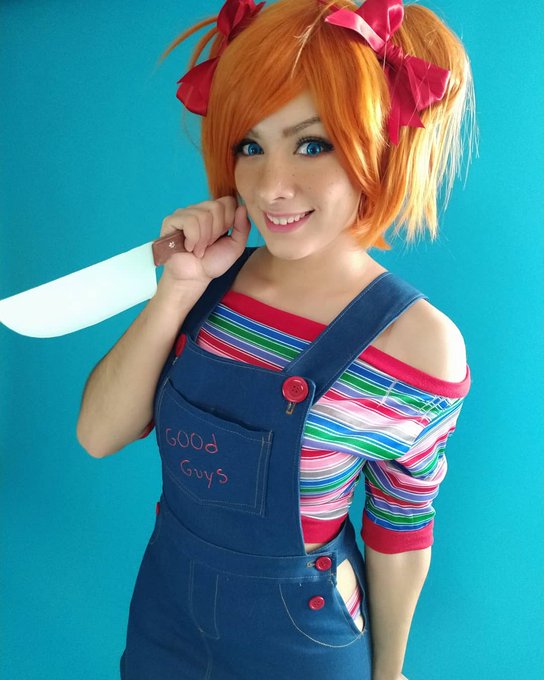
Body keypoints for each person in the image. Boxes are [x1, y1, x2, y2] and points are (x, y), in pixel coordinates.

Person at [76, 0, 475, 678]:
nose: (270, 186)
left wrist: (388, 671)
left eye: (312, 144)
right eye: (250, 146)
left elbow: (401, 522)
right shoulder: (208, 284)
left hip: (300, 642)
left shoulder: (419, 347)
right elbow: (97, 435)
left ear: (382, 144)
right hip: (166, 616)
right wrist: (176, 290)